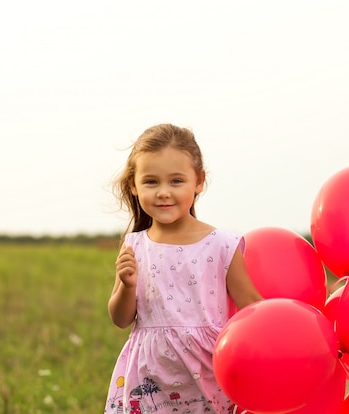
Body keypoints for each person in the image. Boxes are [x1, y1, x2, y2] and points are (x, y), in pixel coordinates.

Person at [104, 124, 262, 414]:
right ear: (134, 186)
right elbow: (120, 318)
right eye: (151, 182)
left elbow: (253, 307)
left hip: (208, 375)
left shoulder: (222, 245)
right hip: (149, 378)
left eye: (176, 181)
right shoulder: (135, 245)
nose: (164, 192)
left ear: (198, 181)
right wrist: (127, 285)